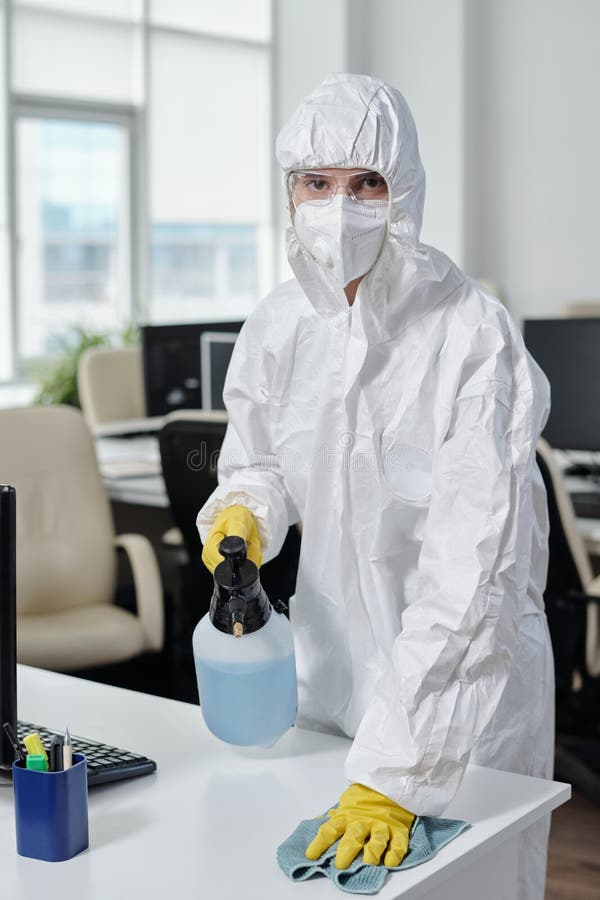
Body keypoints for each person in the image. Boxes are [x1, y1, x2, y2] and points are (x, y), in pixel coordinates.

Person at [197, 73, 554, 899]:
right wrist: (247, 511)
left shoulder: (471, 335)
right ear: (290, 193)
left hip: (463, 703)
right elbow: (260, 459)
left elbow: (473, 577)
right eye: (316, 183)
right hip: (329, 681)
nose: (338, 206)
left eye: (367, 183)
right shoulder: (279, 326)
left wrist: (400, 769)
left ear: (406, 191)